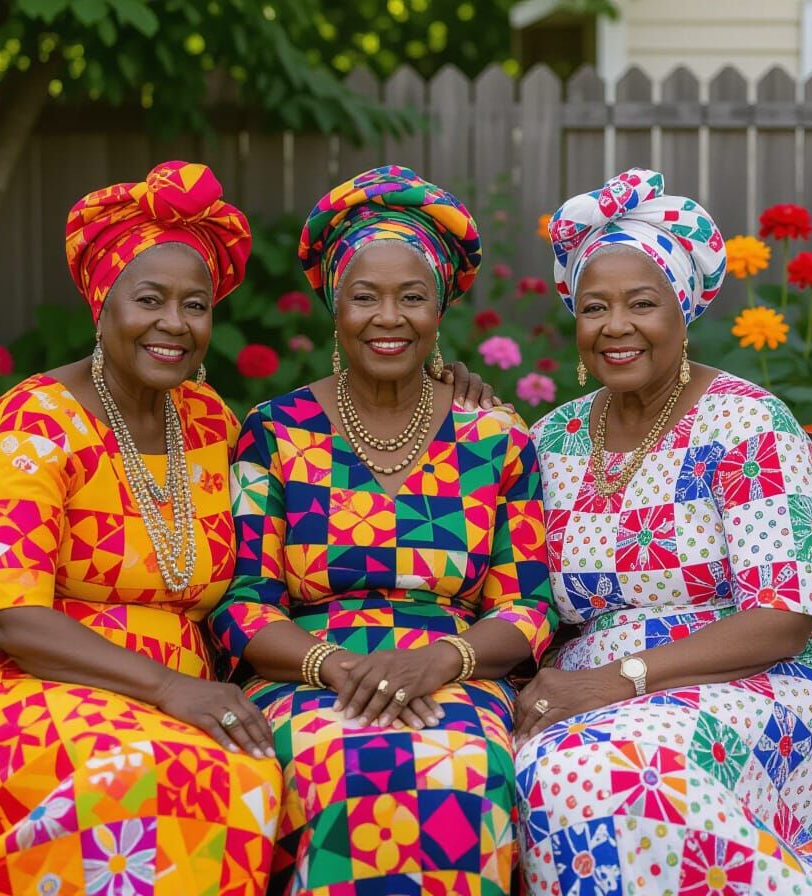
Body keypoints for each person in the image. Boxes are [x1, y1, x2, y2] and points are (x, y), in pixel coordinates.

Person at [514, 168, 812, 894]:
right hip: (604, 687)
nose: (615, 326)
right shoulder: (552, 438)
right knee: (536, 766)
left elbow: (783, 620)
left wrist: (621, 680)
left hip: (775, 674)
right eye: (594, 306)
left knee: (622, 773)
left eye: (643, 303)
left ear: (684, 308)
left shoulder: (748, 423)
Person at [0, 161, 284, 895]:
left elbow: (307, 483)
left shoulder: (209, 423)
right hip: (0, 684)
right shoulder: (31, 424)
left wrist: (436, 388)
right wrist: (171, 688)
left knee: (253, 772)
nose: (175, 323)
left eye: (195, 305)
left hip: (165, 694)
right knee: (159, 781)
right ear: (102, 303)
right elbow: (11, 618)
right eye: (150, 299)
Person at [209, 164, 558, 895]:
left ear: (440, 309)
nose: (388, 317)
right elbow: (242, 604)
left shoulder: (494, 435)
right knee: (336, 761)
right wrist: (334, 667)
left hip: (456, 672)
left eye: (412, 296)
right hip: (306, 671)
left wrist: (443, 660)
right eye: (364, 296)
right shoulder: (274, 432)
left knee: (462, 768)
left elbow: (527, 608)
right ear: (335, 307)